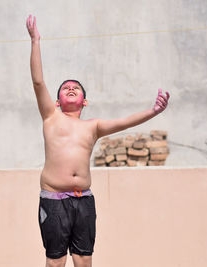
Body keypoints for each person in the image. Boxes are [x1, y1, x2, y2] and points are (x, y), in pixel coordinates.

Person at [26, 15, 170, 267]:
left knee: (83, 260)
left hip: (84, 200)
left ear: (85, 101)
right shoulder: (50, 116)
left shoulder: (93, 127)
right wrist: (35, 41)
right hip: (53, 200)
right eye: (65, 88)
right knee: (56, 262)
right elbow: (38, 81)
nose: (71, 89)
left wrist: (153, 111)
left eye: (76, 88)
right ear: (57, 101)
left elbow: (126, 121)